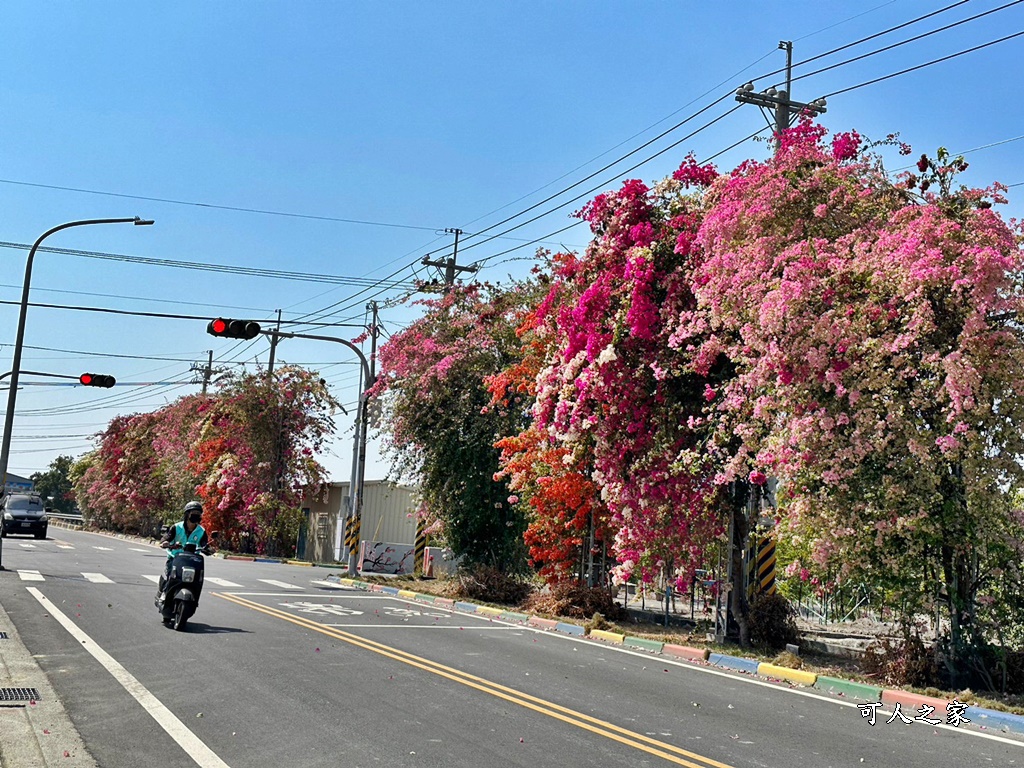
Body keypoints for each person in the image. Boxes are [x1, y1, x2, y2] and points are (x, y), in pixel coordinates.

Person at [157, 501, 214, 599]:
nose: (197, 516)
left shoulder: (201, 531)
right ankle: (164, 593)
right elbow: (167, 537)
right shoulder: (176, 527)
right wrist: (165, 543)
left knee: (197, 579)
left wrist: (210, 549)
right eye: (194, 513)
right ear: (187, 514)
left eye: (199, 514)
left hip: (192, 560)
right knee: (170, 575)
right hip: (175, 558)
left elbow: (204, 544)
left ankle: (194, 598)